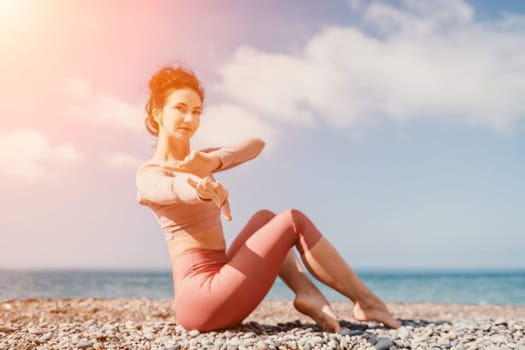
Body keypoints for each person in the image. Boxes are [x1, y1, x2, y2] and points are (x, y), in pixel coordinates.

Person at [135, 64, 401, 332]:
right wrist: (199, 188)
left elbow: (256, 144)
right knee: (292, 221)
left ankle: (307, 293)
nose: (189, 119)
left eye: (196, 112)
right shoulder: (149, 174)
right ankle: (366, 301)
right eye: (180, 108)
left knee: (265, 219)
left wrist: (213, 162)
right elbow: (172, 188)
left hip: (221, 281)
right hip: (201, 300)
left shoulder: (201, 161)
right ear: (158, 113)